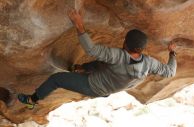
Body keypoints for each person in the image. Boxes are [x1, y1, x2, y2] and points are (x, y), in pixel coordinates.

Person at [17, 9, 177, 109]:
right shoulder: (149, 63)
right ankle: (79, 69)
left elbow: (91, 49)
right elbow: (170, 71)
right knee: (102, 65)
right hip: (110, 83)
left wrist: (79, 25)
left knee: (55, 79)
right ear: (141, 49)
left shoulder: (117, 56)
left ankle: (32, 100)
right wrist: (172, 54)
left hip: (93, 86)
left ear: (125, 43)